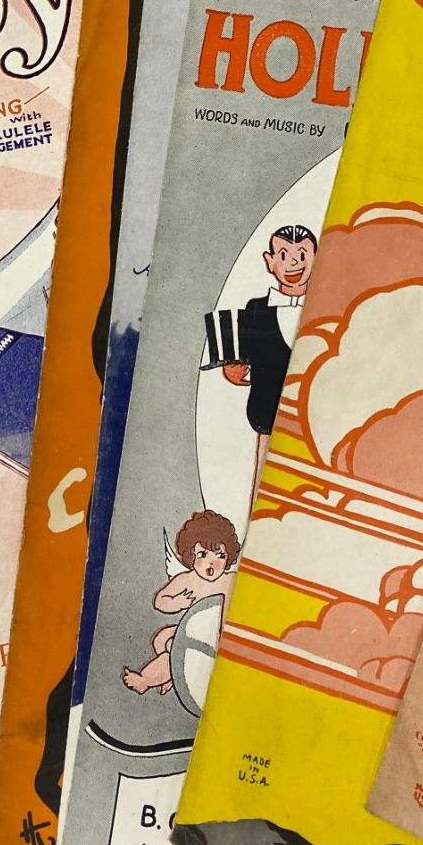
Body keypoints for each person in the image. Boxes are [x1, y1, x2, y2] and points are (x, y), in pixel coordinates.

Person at [222, 224, 317, 506]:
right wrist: (234, 370)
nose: (293, 263)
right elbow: (238, 361)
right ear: (270, 261)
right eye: (284, 255)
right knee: (264, 490)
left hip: (313, 418)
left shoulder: (324, 306)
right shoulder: (256, 309)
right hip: (267, 416)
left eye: (302, 254)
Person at [121, 509, 239, 696]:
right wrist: (178, 602)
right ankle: (170, 676)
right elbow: (160, 600)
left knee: (176, 651)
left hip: (213, 638)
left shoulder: (230, 580)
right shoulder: (186, 580)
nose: (212, 563)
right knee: (162, 639)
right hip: (191, 630)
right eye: (203, 554)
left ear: (229, 557)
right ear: (190, 554)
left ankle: (145, 680)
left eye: (220, 556)